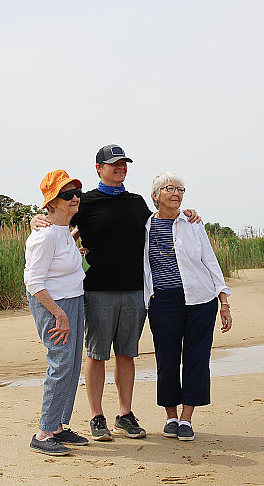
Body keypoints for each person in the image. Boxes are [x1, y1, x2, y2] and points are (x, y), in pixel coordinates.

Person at [32, 145, 200, 441]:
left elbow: (163, 220)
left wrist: (187, 213)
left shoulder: (136, 203)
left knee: (126, 354)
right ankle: (97, 416)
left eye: (123, 163)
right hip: (96, 291)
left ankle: (125, 414)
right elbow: (57, 220)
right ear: (99, 168)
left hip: (135, 290)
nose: (120, 168)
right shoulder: (83, 202)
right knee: (96, 355)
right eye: (113, 164)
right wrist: (36, 219)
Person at [142, 171, 232, 441]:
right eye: (170, 188)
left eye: (181, 189)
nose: (176, 194)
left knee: (196, 359)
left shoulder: (193, 223)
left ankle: (186, 418)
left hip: (200, 300)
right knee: (166, 358)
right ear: (156, 195)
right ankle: (170, 416)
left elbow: (210, 262)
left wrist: (223, 300)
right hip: (163, 301)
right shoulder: (144, 226)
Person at [24, 170, 89, 456]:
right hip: (54, 305)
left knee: (73, 364)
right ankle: (44, 432)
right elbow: (34, 282)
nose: (74, 198)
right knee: (61, 363)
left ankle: (59, 426)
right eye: (67, 194)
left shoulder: (63, 231)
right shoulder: (44, 235)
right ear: (52, 202)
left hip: (73, 301)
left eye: (77, 193)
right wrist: (59, 314)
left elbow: (64, 262)